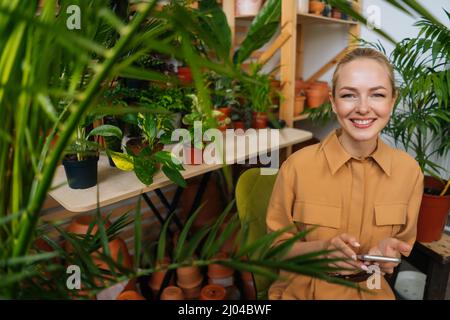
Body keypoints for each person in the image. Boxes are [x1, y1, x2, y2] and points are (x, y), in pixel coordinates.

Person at [266, 48, 424, 300]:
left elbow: (400, 245)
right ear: (333, 101)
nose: (363, 108)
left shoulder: (409, 172)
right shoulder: (296, 166)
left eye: (377, 95)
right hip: (302, 292)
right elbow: (274, 249)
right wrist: (321, 251)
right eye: (349, 95)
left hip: (373, 290)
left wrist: (388, 254)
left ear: (392, 101)